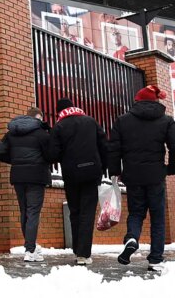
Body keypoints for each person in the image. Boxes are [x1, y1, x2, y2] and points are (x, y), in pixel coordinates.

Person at [109, 85, 175, 270]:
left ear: (137, 101)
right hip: (156, 175)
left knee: (136, 213)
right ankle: (155, 259)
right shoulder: (166, 121)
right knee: (158, 217)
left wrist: (116, 171)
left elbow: (113, 149)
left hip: (132, 175)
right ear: (155, 101)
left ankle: (132, 238)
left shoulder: (122, 121)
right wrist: (171, 169)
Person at [50, 98, 107, 265]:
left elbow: (52, 154)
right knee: (87, 213)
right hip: (92, 173)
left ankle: (77, 251)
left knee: (74, 212)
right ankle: (83, 254)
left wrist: (65, 159)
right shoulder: (90, 121)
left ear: (60, 111)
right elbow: (104, 146)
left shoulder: (59, 126)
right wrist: (103, 168)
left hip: (71, 175)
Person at [0, 106, 54, 263]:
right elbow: (51, 154)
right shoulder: (41, 133)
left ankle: (30, 245)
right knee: (33, 212)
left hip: (18, 176)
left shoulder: (12, 133)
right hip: (36, 176)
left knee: (24, 211)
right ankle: (30, 250)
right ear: (36, 118)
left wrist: (16, 161)